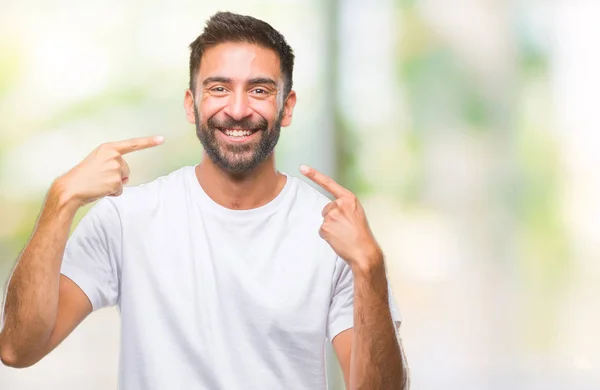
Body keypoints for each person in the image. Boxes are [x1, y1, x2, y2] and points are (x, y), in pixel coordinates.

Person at [0, 11, 408, 390]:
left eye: (260, 90)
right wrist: (61, 199)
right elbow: (18, 349)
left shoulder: (332, 234)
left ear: (287, 107)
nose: (237, 109)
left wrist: (369, 266)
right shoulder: (128, 218)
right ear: (191, 105)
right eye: (218, 88)